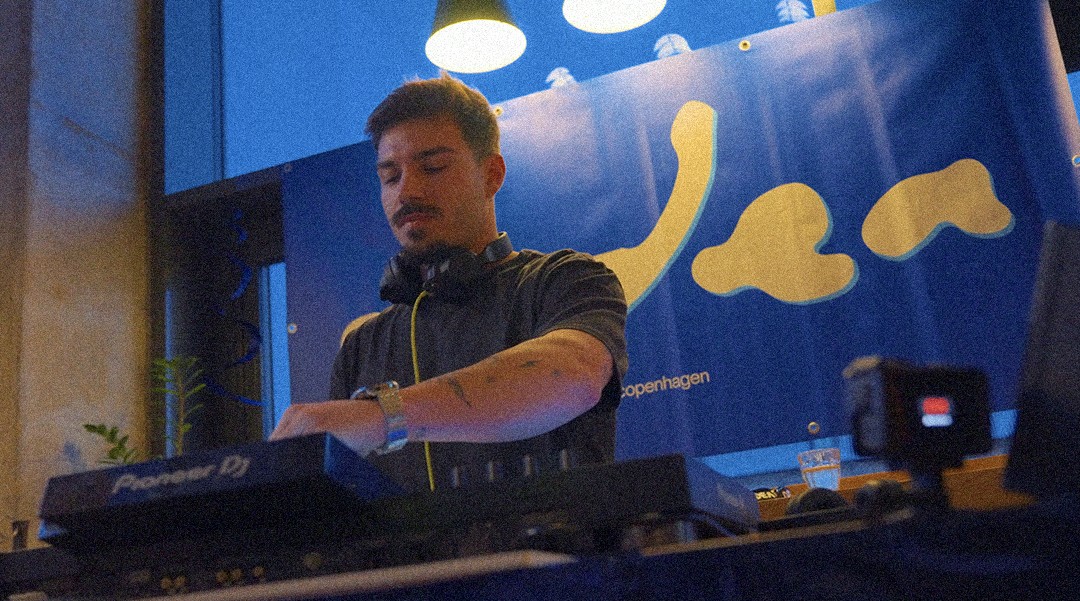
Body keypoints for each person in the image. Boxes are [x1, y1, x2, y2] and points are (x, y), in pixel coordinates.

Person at [270, 73, 628, 492]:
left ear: (492, 175)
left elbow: (573, 374)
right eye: (390, 176)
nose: (407, 191)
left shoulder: (564, 279)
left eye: (433, 167)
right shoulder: (362, 346)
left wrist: (382, 416)